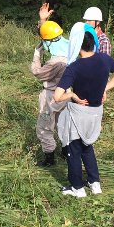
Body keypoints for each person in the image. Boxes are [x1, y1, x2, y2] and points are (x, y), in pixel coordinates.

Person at [54, 23, 114, 197]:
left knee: (73, 148)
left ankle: (77, 188)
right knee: (87, 145)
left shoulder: (74, 67)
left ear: (77, 44)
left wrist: (72, 95)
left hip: (78, 112)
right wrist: (105, 88)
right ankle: (95, 183)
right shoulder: (104, 59)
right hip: (96, 112)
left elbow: (57, 97)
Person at [31, 21, 69, 167]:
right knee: (63, 124)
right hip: (66, 94)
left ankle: (49, 158)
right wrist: (42, 20)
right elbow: (47, 33)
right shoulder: (69, 53)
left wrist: (36, 55)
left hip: (51, 97)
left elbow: (38, 73)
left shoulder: (55, 62)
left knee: (44, 126)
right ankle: (66, 152)